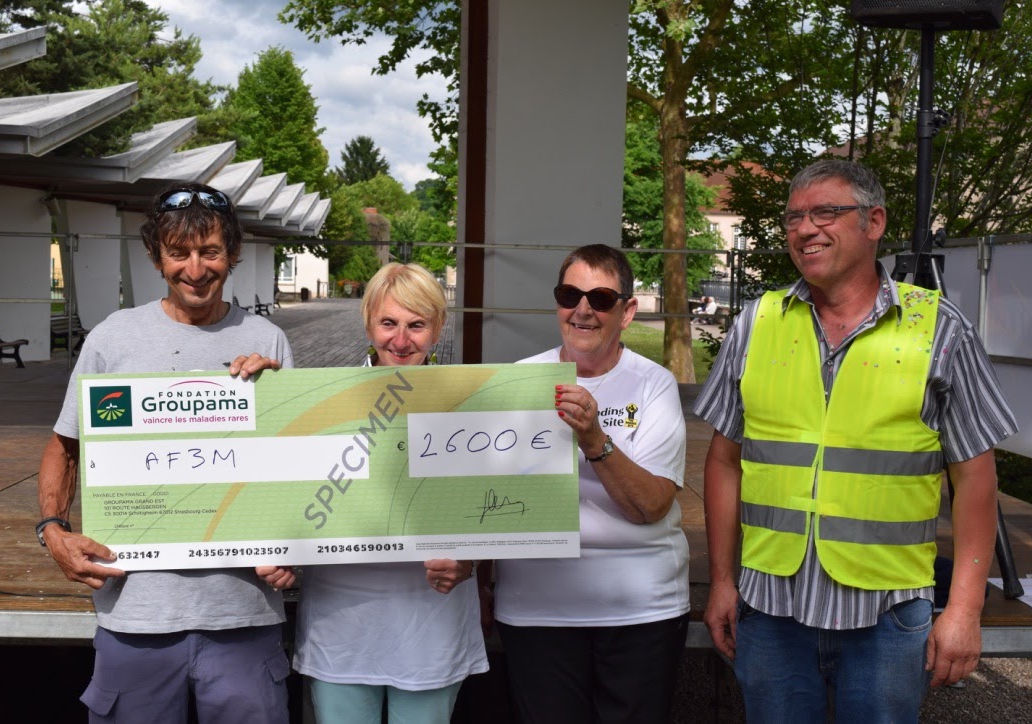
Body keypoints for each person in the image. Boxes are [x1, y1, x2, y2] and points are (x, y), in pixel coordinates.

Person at [694, 159, 1018, 721]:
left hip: (887, 613)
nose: (804, 229)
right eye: (793, 217)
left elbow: (975, 479)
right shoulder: (755, 324)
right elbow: (724, 462)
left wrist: (965, 609)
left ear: (874, 222)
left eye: (826, 212)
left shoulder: (939, 329)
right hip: (770, 607)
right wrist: (723, 581)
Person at [36, 182, 296, 723]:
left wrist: (278, 399)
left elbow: (295, 467)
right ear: (157, 257)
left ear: (233, 254)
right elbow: (66, 446)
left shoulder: (268, 342)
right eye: (179, 253)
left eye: (210, 251)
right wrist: (53, 531)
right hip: (135, 615)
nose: (195, 269)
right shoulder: (113, 338)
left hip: (243, 613)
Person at [489, 244, 690, 723]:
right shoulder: (517, 381)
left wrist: (595, 440)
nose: (582, 310)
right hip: (536, 609)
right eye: (569, 295)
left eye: (600, 299)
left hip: (641, 610)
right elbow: (483, 498)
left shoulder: (653, 384)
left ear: (627, 311)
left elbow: (651, 506)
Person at [292, 262, 488, 724]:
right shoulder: (319, 403)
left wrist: (472, 560)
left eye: (416, 325)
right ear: (367, 324)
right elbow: (290, 499)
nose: (400, 340)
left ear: (438, 328)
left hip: (431, 619)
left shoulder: (472, 405)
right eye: (388, 323)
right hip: (341, 621)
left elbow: (495, 506)